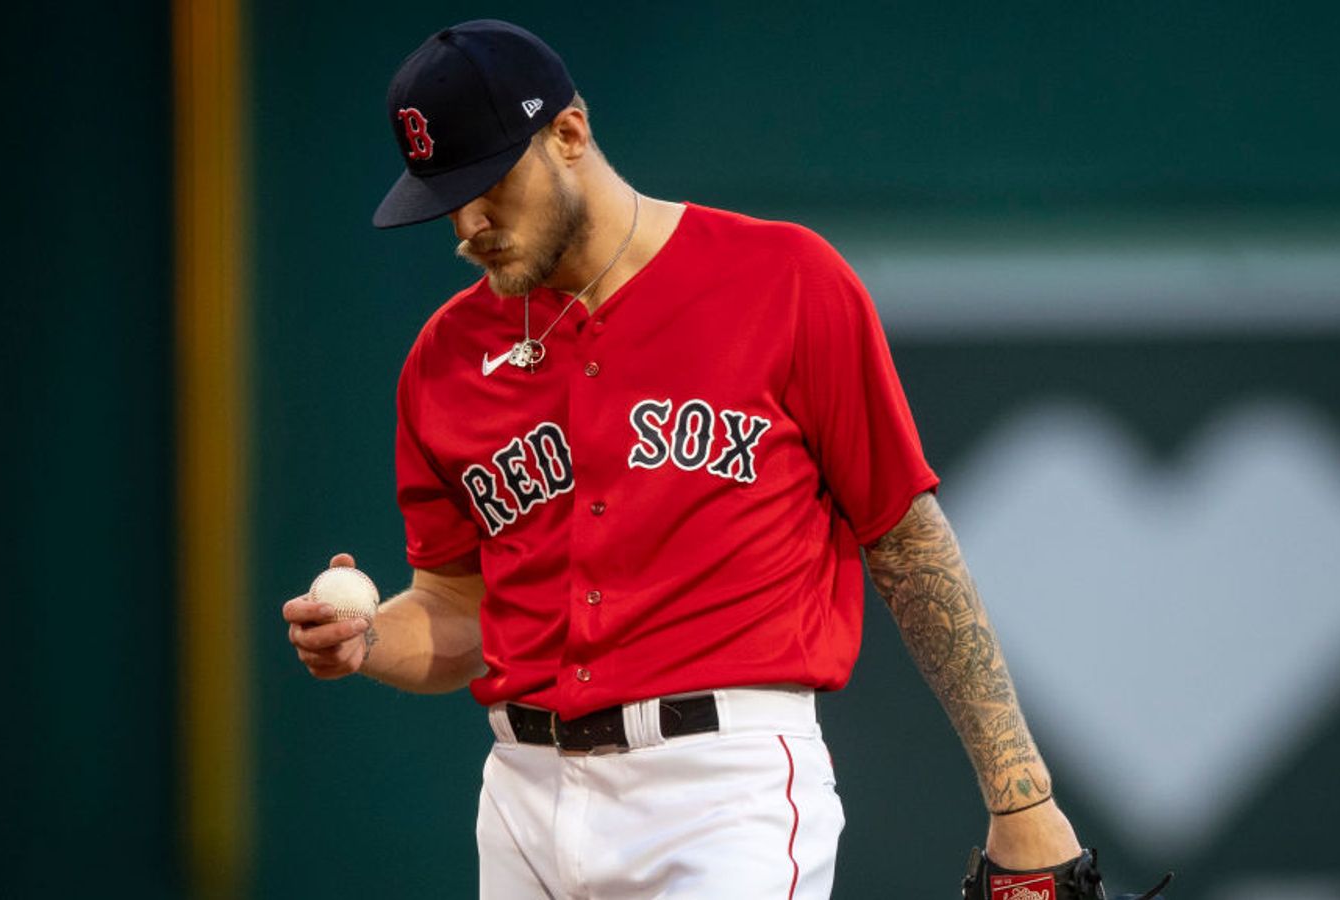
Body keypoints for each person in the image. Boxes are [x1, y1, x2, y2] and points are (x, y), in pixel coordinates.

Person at [283, 19, 1084, 899]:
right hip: (521, 796)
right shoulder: (444, 359)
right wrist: (368, 641)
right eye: (447, 200)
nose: (469, 224)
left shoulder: (783, 281)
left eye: (489, 186)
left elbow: (906, 541)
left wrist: (1022, 798)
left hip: (721, 791)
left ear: (569, 136)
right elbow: (455, 609)